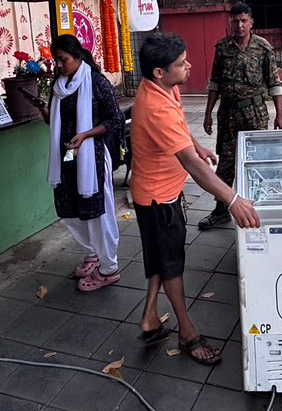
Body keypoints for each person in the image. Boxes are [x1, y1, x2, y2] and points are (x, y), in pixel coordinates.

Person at [130, 33, 261, 365]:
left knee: (163, 258)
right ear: (159, 72)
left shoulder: (164, 87)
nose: (188, 66)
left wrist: (196, 145)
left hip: (164, 193)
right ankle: (187, 333)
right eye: (180, 64)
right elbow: (191, 164)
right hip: (157, 200)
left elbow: (182, 138)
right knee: (172, 266)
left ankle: (148, 319)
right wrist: (232, 200)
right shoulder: (154, 106)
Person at [27, 35, 124, 292]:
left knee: (97, 213)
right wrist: (43, 110)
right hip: (66, 159)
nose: (59, 65)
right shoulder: (59, 85)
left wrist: (86, 135)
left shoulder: (95, 82)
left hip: (91, 159)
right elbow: (56, 123)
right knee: (69, 211)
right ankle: (92, 254)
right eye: (56, 60)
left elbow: (115, 119)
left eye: (63, 60)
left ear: (78, 56)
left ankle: (109, 268)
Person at [198, 2, 282, 230]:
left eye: (244, 21)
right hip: (227, 113)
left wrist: (279, 115)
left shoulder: (263, 48)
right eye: (235, 21)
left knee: (256, 162)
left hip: (254, 114)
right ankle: (220, 211)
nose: (239, 25)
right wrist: (208, 113)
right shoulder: (222, 47)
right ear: (230, 22)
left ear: (251, 22)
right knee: (226, 163)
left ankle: (258, 206)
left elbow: (274, 82)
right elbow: (214, 83)